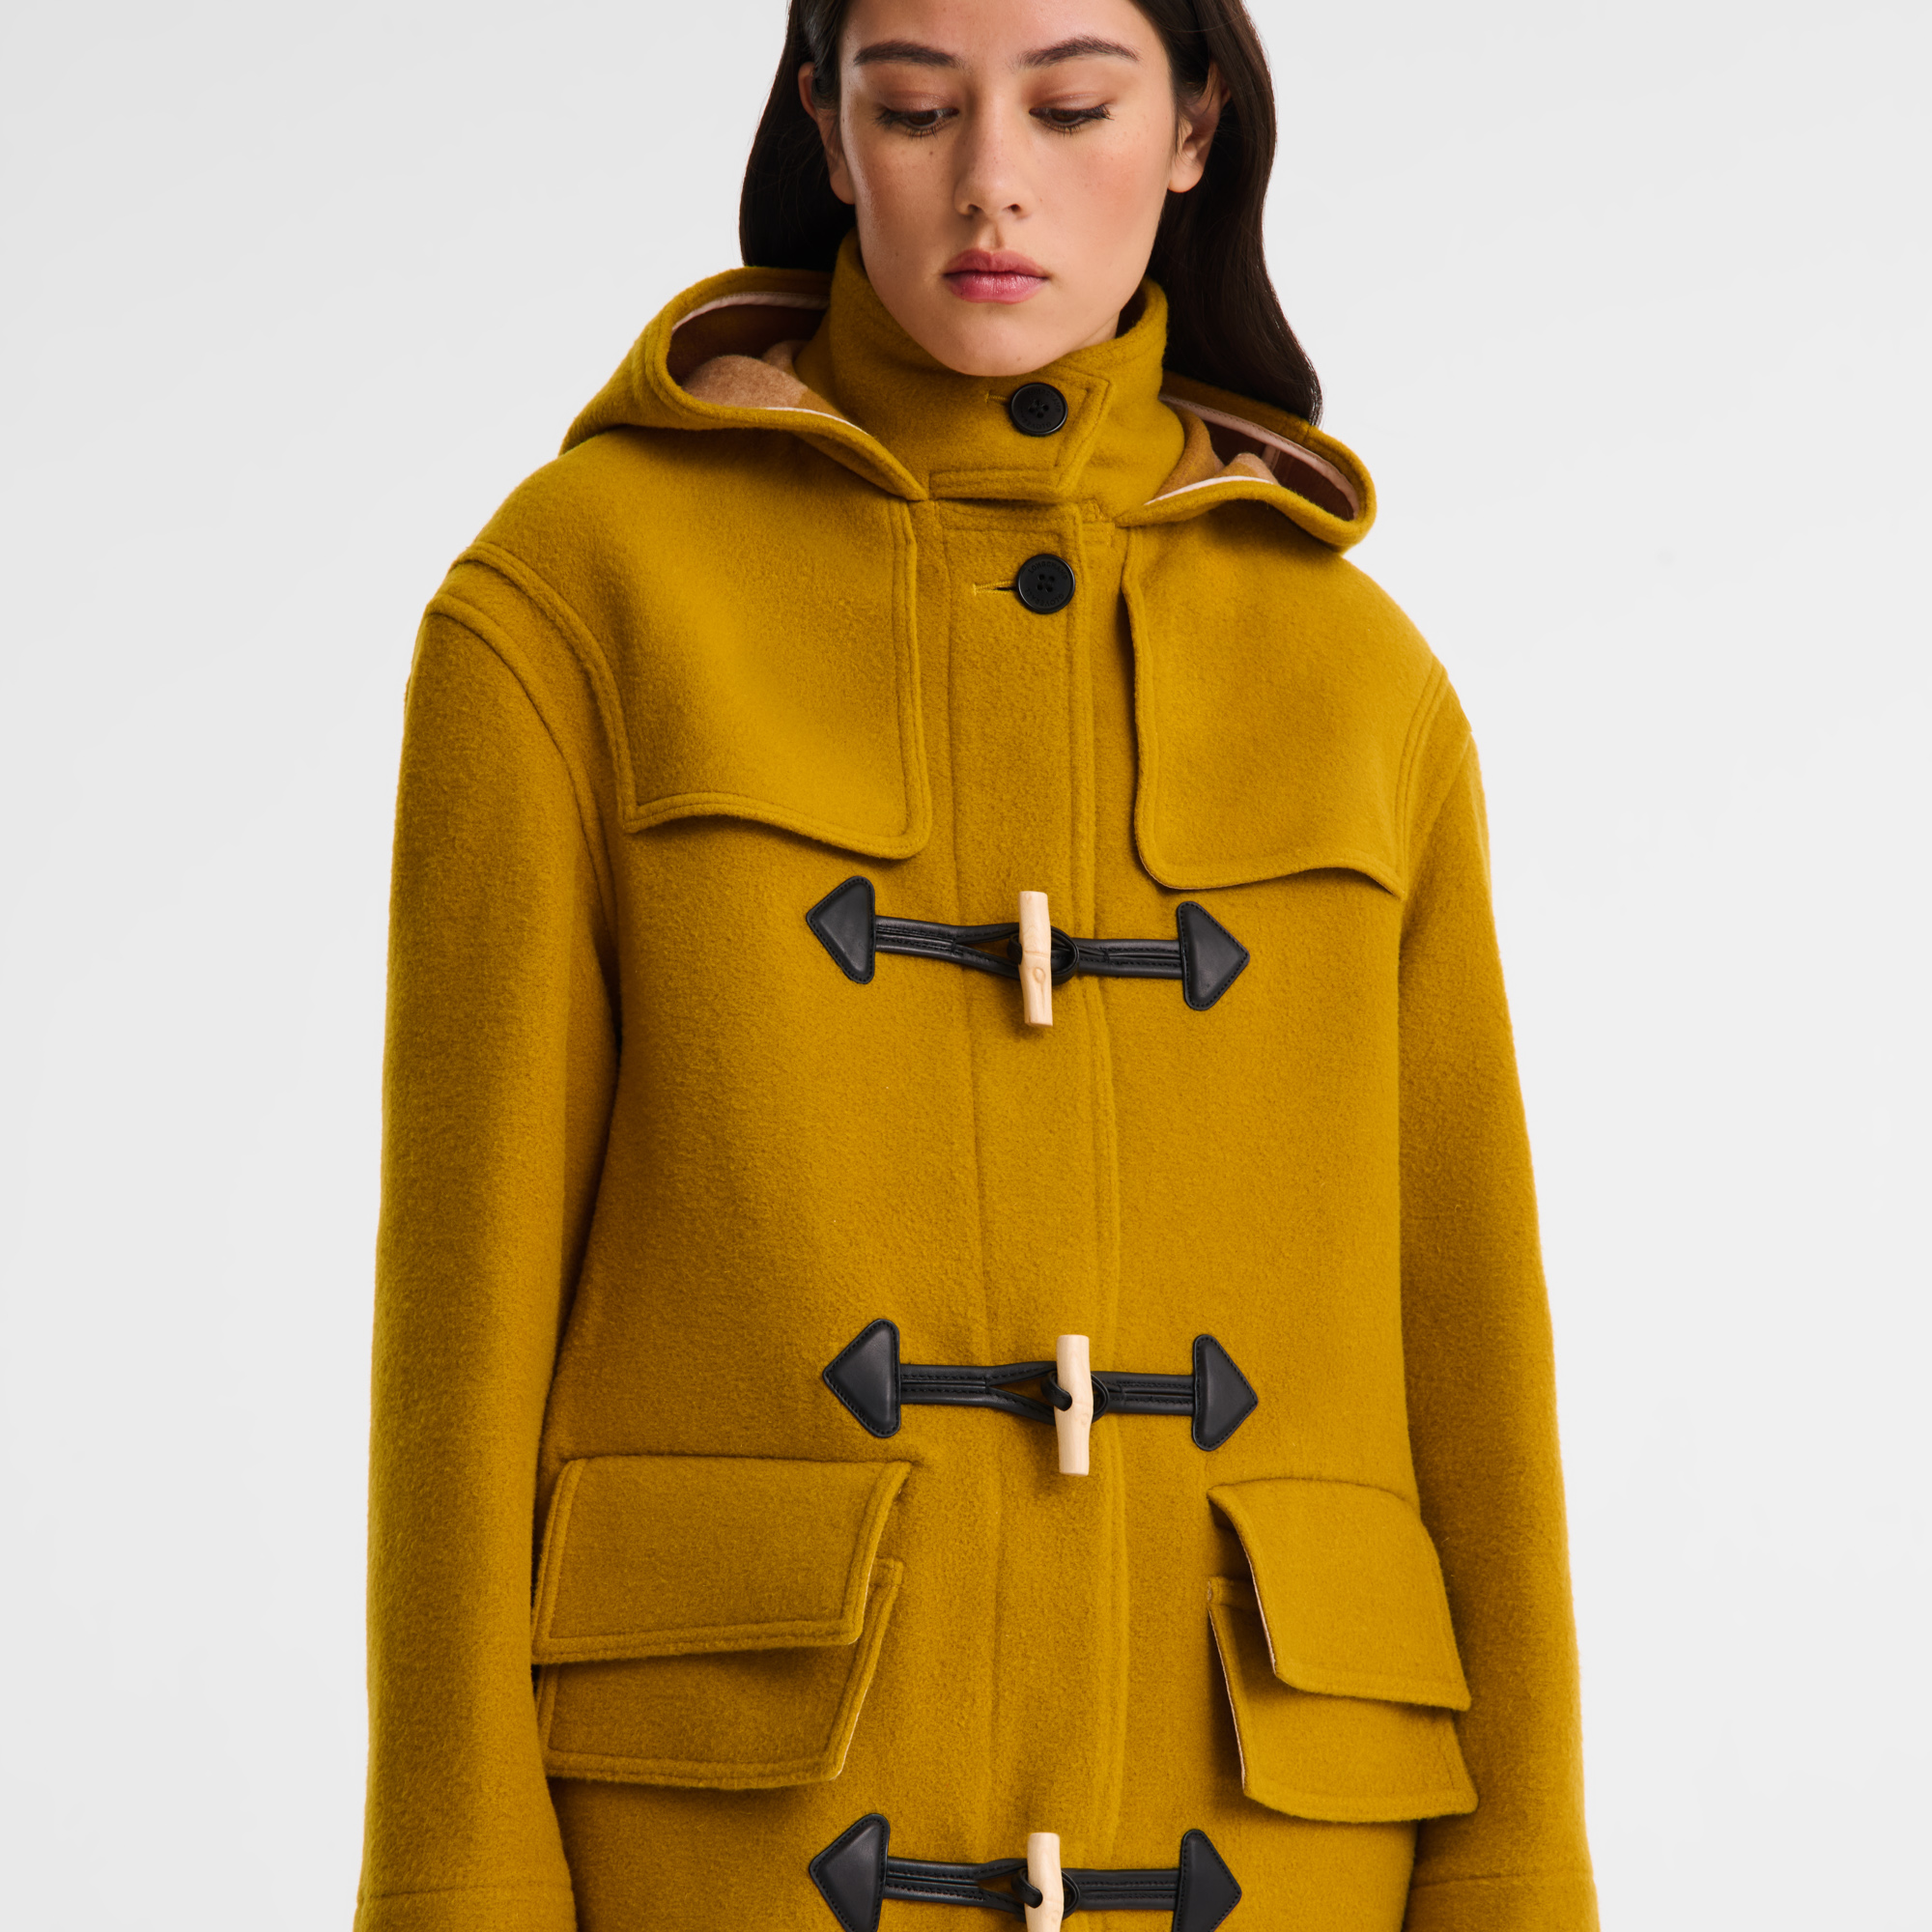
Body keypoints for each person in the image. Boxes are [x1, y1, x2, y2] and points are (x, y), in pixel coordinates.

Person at [354, 0, 1598, 1927]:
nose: (991, 181)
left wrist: (1521, 1887)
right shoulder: (578, 602)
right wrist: (456, 1889)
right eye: (918, 105)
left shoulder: (1361, 682)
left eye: (1073, 104)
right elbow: (462, 1327)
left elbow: (1474, 1354)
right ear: (826, 125)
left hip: (1281, 1845)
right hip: (725, 1843)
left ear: (1196, 125)